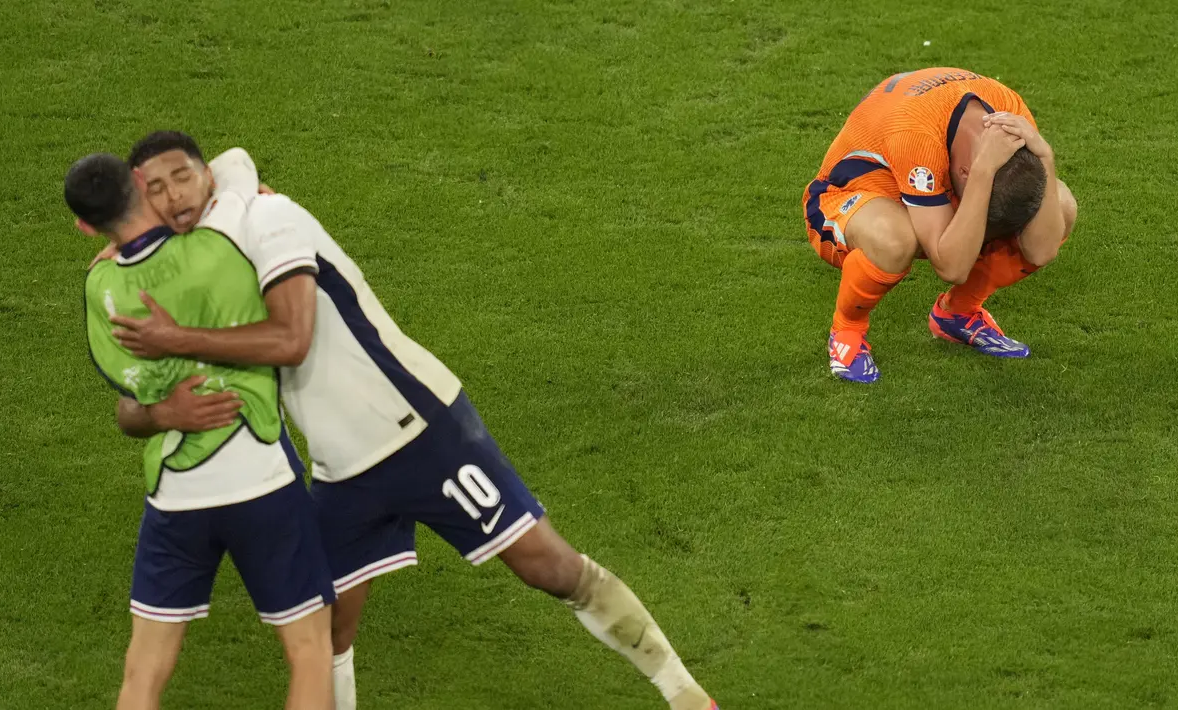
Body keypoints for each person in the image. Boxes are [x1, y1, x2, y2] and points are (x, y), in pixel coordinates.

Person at [105, 131, 718, 710]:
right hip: (341, 468)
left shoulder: (270, 219)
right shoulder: (204, 246)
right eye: (154, 190)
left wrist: (174, 336)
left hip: (421, 428)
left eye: (181, 178)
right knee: (328, 629)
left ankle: (689, 698)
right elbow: (233, 166)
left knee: (548, 567)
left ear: (204, 173)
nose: (172, 197)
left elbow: (293, 339)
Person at [67, 152, 335, 710]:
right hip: (262, 480)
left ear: (86, 226)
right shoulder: (218, 242)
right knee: (309, 650)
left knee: (143, 671)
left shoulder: (100, 287)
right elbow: (234, 164)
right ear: (142, 182)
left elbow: (129, 407)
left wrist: (164, 414)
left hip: (175, 495)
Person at [803, 68, 1078, 383]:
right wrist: (983, 172)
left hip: (930, 188)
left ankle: (957, 313)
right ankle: (847, 331)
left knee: (1061, 207)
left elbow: (1041, 249)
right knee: (895, 240)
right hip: (843, 198)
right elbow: (951, 266)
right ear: (966, 171)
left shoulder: (1009, 112)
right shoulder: (916, 136)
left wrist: (1046, 155)